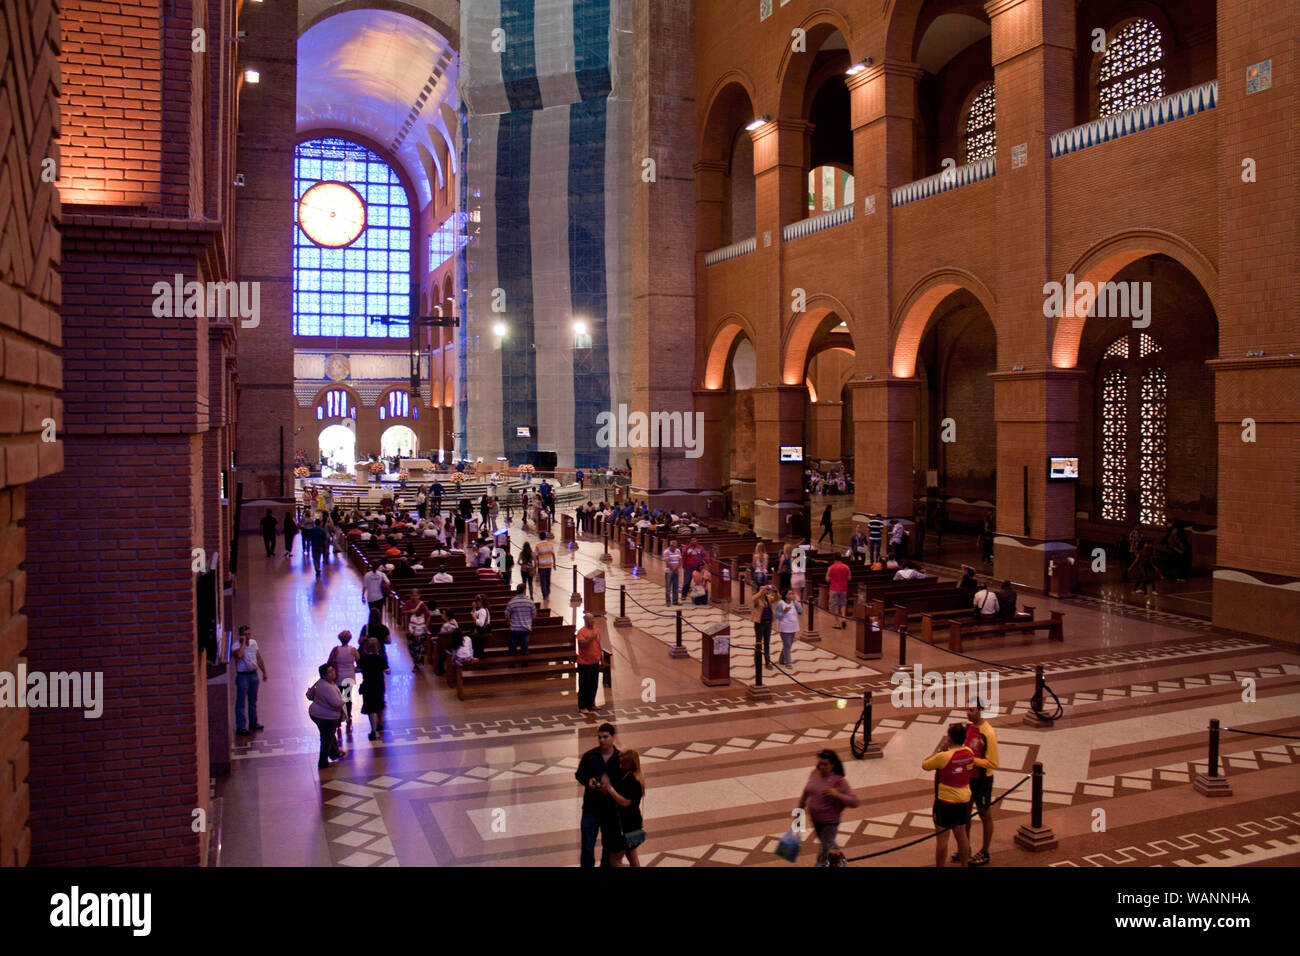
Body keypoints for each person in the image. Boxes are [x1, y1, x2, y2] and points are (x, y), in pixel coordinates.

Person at [923, 723, 975, 867]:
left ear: (950, 739)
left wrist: (940, 748)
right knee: (961, 834)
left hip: (945, 801)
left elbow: (925, 764)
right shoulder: (970, 752)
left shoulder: (944, 756)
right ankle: (965, 865)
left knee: (942, 839)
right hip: (963, 800)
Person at [797, 749, 860, 866]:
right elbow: (806, 791)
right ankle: (841, 861)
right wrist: (799, 809)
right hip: (816, 820)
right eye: (820, 763)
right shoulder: (815, 773)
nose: (821, 766)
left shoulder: (839, 782)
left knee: (824, 851)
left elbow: (855, 802)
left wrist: (837, 794)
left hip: (830, 823)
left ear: (833, 765)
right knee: (829, 845)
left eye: (825, 764)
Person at [957, 701, 999, 867]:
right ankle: (965, 848)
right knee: (965, 813)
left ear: (981, 710)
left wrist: (971, 760)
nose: (968, 713)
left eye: (972, 710)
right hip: (968, 779)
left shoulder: (988, 733)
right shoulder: (968, 727)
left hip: (983, 780)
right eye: (967, 709)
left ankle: (985, 851)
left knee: (984, 814)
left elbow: (993, 763)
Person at [575, 723, 620, 867]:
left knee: (608, 846)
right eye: (599, 737)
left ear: (613, 737)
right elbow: (579, 774)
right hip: (591, 808)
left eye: (606, 737)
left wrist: (611, 788)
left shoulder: (620, 759)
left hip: (611, 810)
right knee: (587, 846)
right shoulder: (590, 756)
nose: (602, 740)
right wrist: (588, 780)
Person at [602, 749, 646, 867]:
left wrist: (610, 789)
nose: (620, 766)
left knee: (615, 861)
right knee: (632, 856)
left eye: (623, 764)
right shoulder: (635, 777)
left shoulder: (631, 780)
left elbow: (626, 802)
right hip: (635, 824)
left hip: (627, 827)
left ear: (631, 765)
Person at [306, 663, 345, 771]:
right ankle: (323, 762)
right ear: (324, 675)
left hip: (317, 713)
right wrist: (343, 699)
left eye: (333, 670)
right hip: (326, 717)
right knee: (326, 739)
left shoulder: (321, 682)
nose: (333, 672)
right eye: (330, 671)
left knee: (328, 734)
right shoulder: (327, 687)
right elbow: (336, 703)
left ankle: (335, 753)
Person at [232, 625, 267, 737]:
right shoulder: (235, 646)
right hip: (242, 677)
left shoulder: (253, 643)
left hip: (253, 675)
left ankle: (253, 722)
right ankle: (241, 726)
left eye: (249, 634)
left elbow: (258, 657)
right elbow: (239, 655)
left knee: (253, 700)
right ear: (241, 635)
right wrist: (243, 644)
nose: (247, 636)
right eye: (245, 634)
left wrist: (264, 671)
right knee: (241, 702)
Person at [357, 636, 390, 741]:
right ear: (378, 647)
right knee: (379, 704)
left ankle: (373, 729)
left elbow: (358, 669)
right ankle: (380, 722)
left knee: (370, 707)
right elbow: (387, 671)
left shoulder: (363, 659)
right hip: (379, 684)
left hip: (367, 685)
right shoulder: (381, 658)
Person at [327, 630, 359, 735]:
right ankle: (348, 716)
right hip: (349, 676)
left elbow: (329, 662)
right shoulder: (353, 650)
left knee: (339, 697)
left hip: (338, 676)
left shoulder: (336, 650)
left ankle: (338, 718)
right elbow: (359, 660)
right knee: (347, 697)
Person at [576, 613, 603, 713]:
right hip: (584, 663)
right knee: (584, 685)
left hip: (595, 661)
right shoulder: (581, 632)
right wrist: (591, 638)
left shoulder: (596, 630)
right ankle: (582, 706)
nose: (592, 621)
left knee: (593, 684)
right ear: (585, 620)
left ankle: (591, 704)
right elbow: (582, 645)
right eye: (590, 620)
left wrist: (602, 659)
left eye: (593, 619)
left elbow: (599, 645)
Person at [402, 590, 432, 670]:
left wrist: (426, 625)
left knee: (418, 646)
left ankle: (417, 664)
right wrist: (410, 611)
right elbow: (403, 612)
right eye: (413, 595)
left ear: (419, 596)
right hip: (410, 627)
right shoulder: (408, 603)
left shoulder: (421, 604)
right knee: (411, 646)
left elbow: (428, 615)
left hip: (419, 628)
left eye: (416, 595)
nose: (414, 597)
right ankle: (416, 661)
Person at [774, 589, 803, 668]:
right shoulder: (781, 603)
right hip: (784, 627)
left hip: (793, 627)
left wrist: (796, 601)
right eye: (789, 594)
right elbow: (777, 616)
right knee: (787, 645)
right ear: (785, 595)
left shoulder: (794, 603)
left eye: (792, 594)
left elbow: (800, 611)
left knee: (788, 644)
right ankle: (788, 663)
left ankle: (781, 659)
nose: (791, 595)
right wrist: (784, 611)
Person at [505, 583, 535, 656]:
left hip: (515, 629)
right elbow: (534, 614)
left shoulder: (512, 601)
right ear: (524, 591)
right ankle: (524, 665)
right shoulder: (530, 601)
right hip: (526, 628)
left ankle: (512, 665)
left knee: (512, 649)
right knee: (524, 649)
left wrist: (509, 622)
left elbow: (506, 615)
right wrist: (529, 621)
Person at [752, 584, 776, 669]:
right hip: (759, 623)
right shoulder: (757, 600)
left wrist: (775, 590)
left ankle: (767, 662)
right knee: (759, 642)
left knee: (767, 643)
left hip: (768, 623)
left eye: (765, 590)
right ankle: (757, 659)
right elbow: (753, 599)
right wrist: (760, 591)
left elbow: (777, 598)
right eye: (763, 590)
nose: (765, 591)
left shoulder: (768, 599)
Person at [825, 555, 851, 629]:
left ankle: (837, 623)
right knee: (843, 604)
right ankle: (843, 618)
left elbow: (827, 579)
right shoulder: (846, 567)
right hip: (843, 588)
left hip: (834, 589)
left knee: (835, 605)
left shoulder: (831, 567)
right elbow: (849, 578)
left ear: (834, 559)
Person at [534, 533, 556, 600]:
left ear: (540, 537)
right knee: (548, 579)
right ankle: (548, 591)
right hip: (549, 565)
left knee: (543, 581)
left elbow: (536, 556)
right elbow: (553, 554)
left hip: (541, 566)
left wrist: (536, 564)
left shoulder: (538, 546)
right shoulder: (550, 544)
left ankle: (544, 595)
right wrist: (554, 563)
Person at [663, 539, 683, 606]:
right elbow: (667, 562)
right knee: (668, 587)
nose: (675, 547)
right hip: (669, 571)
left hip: (676, 571)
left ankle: (675, 601)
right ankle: (668, 602)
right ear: (671, 545)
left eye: (676, 546)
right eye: (674, 546)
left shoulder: (678, 550)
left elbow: (680, 560)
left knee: (676, 586)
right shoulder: (666, 551)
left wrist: (677, 568)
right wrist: (673, 569)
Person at [471, 594, 491, 659]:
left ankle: (480, 663)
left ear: (481, 601)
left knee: (478, 649)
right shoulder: (484, 609)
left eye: (477, 601)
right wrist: (474, 608)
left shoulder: (482, 611)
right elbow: (475, 613)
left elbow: (481, 623)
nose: (476, 603)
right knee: (479, 648)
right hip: (481, 631)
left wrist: (474, 618)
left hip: (481, 632)